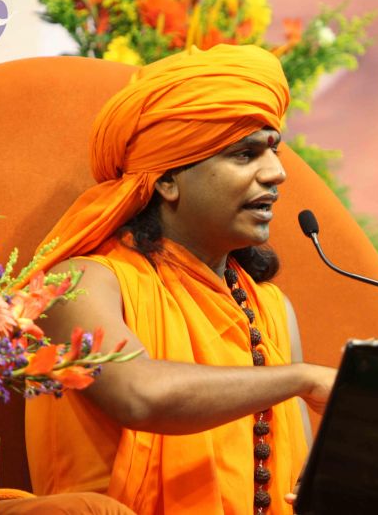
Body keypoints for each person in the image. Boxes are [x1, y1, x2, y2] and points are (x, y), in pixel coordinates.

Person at [22, 43, 336, 515]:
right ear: (167, 180)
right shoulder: (77, 284)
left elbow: (295, 478)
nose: (277, 173)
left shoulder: (271, 310)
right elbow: (139, 395)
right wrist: (301, 378)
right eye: (245, 154)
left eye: (273, 149)